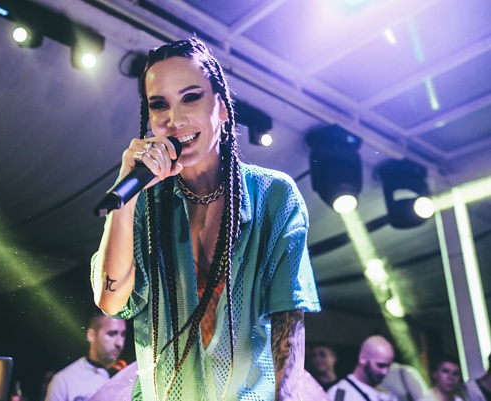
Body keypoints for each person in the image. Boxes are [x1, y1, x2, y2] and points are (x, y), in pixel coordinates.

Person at [90, 37, 320, 400]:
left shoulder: (274, 195)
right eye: (159, 105)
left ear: (222, 108)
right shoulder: (145, 201)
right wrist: (126, 195)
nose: (174, 119)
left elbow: (288, 321)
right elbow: (111, 301)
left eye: (191, 97)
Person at [44, 313, 127, 401]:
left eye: (123, 334)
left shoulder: (128, 375)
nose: (120, 343)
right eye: (112, 334)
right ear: (91, 335)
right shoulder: (64, 380)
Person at [327, 335, 398, 401]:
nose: (385, 372)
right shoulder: (341, 393)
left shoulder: (389, 395)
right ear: (362, 358)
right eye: (380, 365)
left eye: (388, 366)